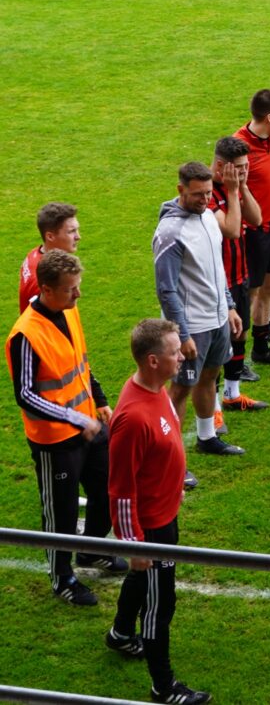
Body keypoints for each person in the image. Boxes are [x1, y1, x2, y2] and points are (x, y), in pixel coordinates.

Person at [6, 250, 122, 605]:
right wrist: (76, 418)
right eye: (71, 289)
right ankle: (62, 578)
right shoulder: (25, 334)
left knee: (107, 492)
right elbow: (25, 395)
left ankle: (90, 550)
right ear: (46, 289)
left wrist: (99, 399)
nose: (78, 295)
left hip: (88, 425)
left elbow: (81, 361)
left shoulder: (69, 311)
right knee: (62, 512)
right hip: (55, 440)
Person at [107, 319, 211, 705]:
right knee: (159, 605)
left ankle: (119, 633)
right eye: (173, 351)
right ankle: (163, 688)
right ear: (153, 360)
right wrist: (134, 546)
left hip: (165, 515)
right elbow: (120, 489)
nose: (180, 353)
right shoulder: (132, 418)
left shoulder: (156, 390)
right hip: (151, 529)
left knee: (141, 582)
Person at [153, 162, 245, 469]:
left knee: (209, 378)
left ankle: (207, 438)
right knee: (180, 390)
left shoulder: (206, 216)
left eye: (208, 193)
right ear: (180, 190)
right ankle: (169, 461)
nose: (205, 199)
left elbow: (216, 269)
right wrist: (182, 334)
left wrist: (229, 305)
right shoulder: (170, 232)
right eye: (197, 194)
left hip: (217, 318)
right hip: (194, 325)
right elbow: (166, 290)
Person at [206, 137, 268, 427]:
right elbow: (231, 230)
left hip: (239, 275)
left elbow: (256, 219)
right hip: (217, 282)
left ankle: (232, 394)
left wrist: (241, 186)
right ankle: (214, 405)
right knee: (218, 346)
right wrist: (234, 190)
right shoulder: (208, 194)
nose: (245, 171)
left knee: (240, 333)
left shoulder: (234, 187)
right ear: (221, 166)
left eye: (246, 166)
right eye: (239, 168)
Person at [234, 89, 270, 368]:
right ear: (269, 117)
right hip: (253, 232)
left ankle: (261, 347)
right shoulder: (239, 147)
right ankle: (238, 358)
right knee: (251, 293)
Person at [18, 202, 81, 313]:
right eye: (71, 231)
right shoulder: (47, 280)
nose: (78, 237)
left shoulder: (34, 254)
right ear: (50, 236)